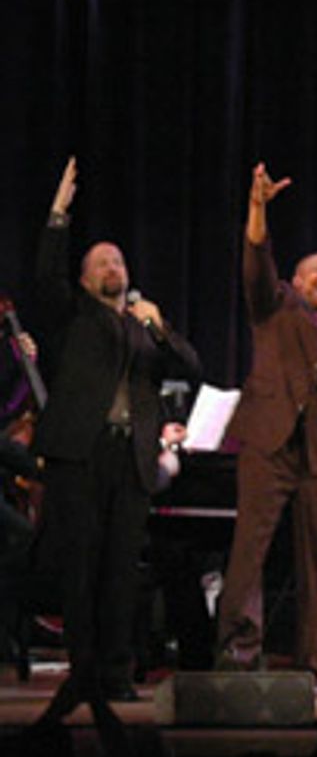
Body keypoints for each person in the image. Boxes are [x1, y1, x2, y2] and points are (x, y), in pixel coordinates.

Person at [30, 158, 201, 717]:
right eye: (102, 261)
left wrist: (160, 325)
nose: (113, 266)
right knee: (81, 567)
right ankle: (82, 673)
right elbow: (45, 277)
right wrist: (59, 213)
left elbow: (192, 367)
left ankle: (116, 671)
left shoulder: (143, 326)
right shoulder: (74, 316)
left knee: (120, 570)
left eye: (119, 260)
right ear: (85, 279)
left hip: (131, 457)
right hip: (81, 453)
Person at [215, 163, 317, 678]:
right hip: (269, 442)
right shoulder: (277, 304)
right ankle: (239, 654)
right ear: (297, 280)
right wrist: (257, 208)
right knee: (251, 551)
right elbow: (256, 264)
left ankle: (309, 662)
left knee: (315, 562)